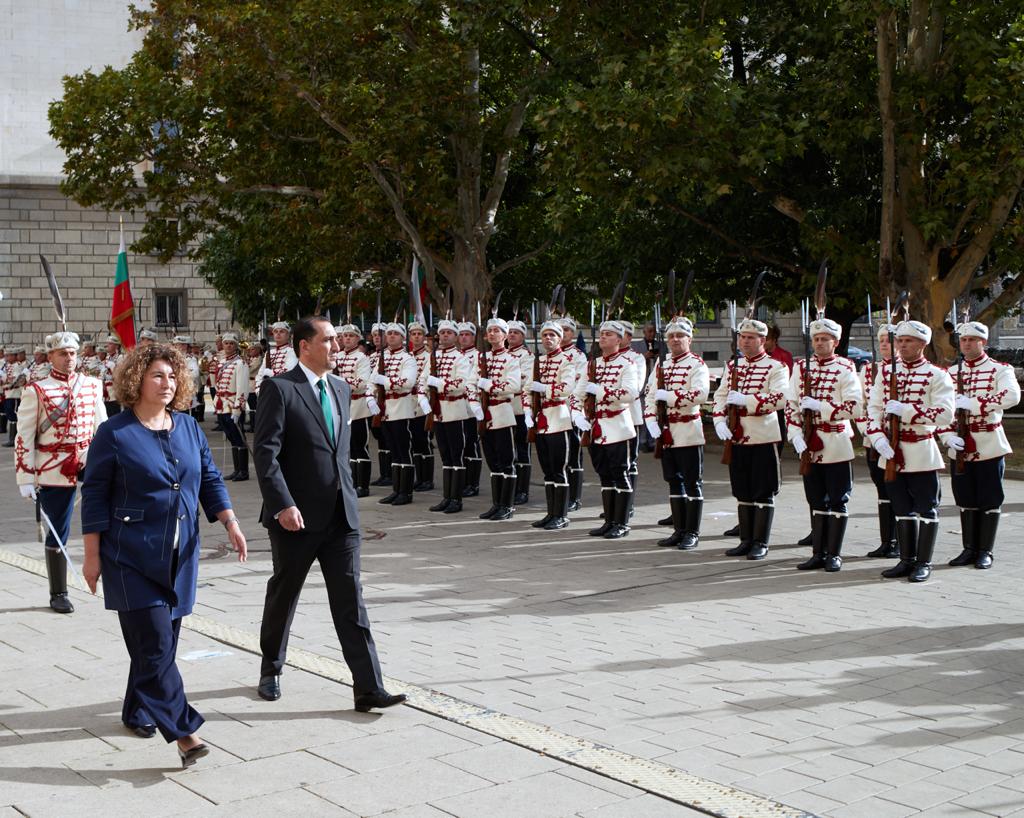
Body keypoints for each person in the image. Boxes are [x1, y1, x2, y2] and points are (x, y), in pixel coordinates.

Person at [80, 343, 246, 765]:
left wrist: (230, 521)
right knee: (154, 644)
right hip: (129, 556)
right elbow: (95, 495)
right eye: (158, 375)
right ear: (137, 380)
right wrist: (91, 556)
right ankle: (185, 733)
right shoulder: (114, 433)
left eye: (173, 376)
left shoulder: (188, 428)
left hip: (180, 557)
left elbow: (208, 477)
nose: (167, 383)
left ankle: (136, 709)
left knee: (161, 644)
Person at [253, 316, 406, 713]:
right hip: (296, 517)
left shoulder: (340, 389)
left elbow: (338, 453)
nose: (337, 347)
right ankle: (271, 667)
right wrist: (282, 504)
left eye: (338, 340)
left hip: (341, 518)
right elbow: (266, 454)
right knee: (284, 595)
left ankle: (368, 687)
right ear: (305, 346)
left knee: (351, 602)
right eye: (330, 340)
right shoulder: (279, 388)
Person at [15, 330, 107, 613]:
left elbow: (102, 429)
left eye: (72, 353)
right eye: (62, 354)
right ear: (51, 356)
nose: (69, 358)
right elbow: (24, 436)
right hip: (53, 468)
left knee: (106, 519)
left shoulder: (92, 385)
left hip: (89, 462)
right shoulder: (36, 390)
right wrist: (26, 476)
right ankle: (59, 592)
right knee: (58, 529)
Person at [866, 320, 954, 582]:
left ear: (923, 345)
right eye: (900, 341)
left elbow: (945, 414)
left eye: (909, 341)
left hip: (920, 450)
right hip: (891, 449)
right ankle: (906, 560)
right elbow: (873, 408)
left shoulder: (937, 375)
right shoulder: (886, 372)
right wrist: (877, 436)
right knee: (901, 507)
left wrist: (906, 411)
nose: (902, 346)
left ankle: (923, 562)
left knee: (926, 508)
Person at [938, 320, 1021, 569]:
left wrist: (974, 403)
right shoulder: (951, 374)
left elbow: (1012, 396)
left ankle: (985, 550)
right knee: (965, 498)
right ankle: (969, 549)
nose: (966, 344)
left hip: (988, 442)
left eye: (972, 340)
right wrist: (946, 435)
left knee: (989, 497)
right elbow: (940, 409)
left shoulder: (999, 369)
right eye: (963, 340)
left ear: (982, 342)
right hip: (960, 443)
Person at [786, 318, 863, 572]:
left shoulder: (845, 367)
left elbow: (855, 406)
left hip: (835, 441)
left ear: (835, 342)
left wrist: (822, 407)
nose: (819, 343)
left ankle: (835, 554)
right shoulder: (800, 367)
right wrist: (795, 434)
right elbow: (791, 404)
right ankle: (818, 552)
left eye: (824, 339)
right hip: (809, 441)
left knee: (838, 499)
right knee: (816, 499)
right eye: (816, 339)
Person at [713, 318, 789, 560]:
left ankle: (760, 542)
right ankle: (746, 539)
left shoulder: (776, 367)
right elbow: (720, 395)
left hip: (763, 436)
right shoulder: (733, 366)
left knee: (763, 490)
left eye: (750, 338)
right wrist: (718, 420)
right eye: (742, 337)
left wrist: (746, 400)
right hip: (737, 436)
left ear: (762, 341)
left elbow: (780, 398)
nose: (744, 341)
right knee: (742, 490)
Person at [644, 317, 709, 549]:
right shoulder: (662, 364)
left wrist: (670, 397)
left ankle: (692, 532)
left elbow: (700, 394)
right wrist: (650, 419)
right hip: (666, 430)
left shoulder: (697, 364)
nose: (674, 340)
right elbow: (650, 394)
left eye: (679, 336)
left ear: (689, 339)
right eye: (671, 336)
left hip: (688, 430)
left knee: (692, 482)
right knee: (673, 481)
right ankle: (678, 529)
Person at [575, 320, 640, 539]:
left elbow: (630, 393)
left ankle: (621, 523)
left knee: (620, 473)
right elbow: (578, 393)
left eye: (609, 334)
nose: (603, 337)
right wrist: (577, 414)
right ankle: (609, 521)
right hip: (595, 428)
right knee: (604, 476)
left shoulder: (627, 363)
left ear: (619, 340)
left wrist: (601, 391)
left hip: (618, 427)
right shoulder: (592, 364)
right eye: (602, 334)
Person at [527, 320, 579, 530]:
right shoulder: (537, 361)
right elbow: (526, 389)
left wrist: (545, 389)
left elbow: (567, 387)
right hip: (541, 420)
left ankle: (562, 514)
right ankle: (551, 513)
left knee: (559, 469)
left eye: (552, 335)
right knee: (547, 470)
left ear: (559, 338)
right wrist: (528, 412)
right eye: (545, 335)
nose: (548, 339)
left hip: (558, 418)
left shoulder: (567, 360)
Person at [856, 322, 899, 557]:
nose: (884, 345)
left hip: (898, 440)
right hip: (873, 440)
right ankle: (887, 541)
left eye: (888, 341)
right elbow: (863, 406)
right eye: (881, 341)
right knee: (882, 490)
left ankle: (902, 542)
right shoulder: (869, 369)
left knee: (898, 490)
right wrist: (870, 432)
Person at [424, 319, 475, 513]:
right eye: (442, 332)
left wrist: (440, 384)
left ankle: (457, 499)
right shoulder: (434, 356)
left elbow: (462, 383)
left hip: (454, 409)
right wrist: (423, 395)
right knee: (445, 455)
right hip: (438, 411)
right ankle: (447, 497)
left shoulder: (460, 358)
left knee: (457, 455)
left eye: (449, 333)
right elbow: (423, 379)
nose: (445, 335)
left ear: (455, 337)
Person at [476, 318, 523, 520]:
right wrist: (474, 403)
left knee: (506, 461)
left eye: (497, 330)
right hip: (484, 414)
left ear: (504, 335)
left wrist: (489, 387)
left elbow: (513, 386)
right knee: (492, 462)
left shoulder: (511, 359)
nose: (493, 334)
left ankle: (508, 505)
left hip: (502, 413)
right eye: (490, 330)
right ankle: (497, 504)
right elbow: (471, 382)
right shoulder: (481, 358)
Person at [370, 322, 419, 505]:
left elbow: (408, 381)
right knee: (393, 450)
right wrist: (370, 398)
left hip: (401, 407)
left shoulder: (407, 359)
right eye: (388, 333)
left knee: (403, 450)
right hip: (385, 408)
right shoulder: (382, 357)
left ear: (402, 338)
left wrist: (386, 381)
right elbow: (371, 380)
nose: (391, 336)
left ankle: (405, 492)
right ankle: (396, 489)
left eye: (395, 334)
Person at [334, 323, 379, 497]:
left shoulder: (362, 358)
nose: (347, 339)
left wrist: (340, 383)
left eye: (351, 336)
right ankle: (351, 482)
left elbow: (362, 382)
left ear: (358, 338)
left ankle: (363, 485)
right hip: (341, 406)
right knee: (348, 448)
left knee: (360, 446)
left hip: (358, 406)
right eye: (345, 336)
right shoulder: (337, 356)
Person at [213, 332, 250, 481]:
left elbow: (242, 388)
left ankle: (244, 471)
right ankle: (236, 470)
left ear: (235, 346)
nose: (228, 345)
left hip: (232, 406)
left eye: (231, 343)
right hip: (222, 405)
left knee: (239, 438)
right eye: (226, 343)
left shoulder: (240, 363)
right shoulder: (221, 363)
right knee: (231, 438)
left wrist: (238, 408)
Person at [560, 317, 589, 510]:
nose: (563, 333)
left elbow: (578, 384)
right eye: (560, 330)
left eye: (567, 330)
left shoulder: (578, 355)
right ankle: (561, 491)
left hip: (571, 407)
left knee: (574, 453)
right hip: (554, 410)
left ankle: (574, 497)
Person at [506, 319, 534, 505]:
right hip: (502, 408)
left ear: (523, 336)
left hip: (518, 407)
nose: (512, 335)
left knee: (522, 450)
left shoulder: (527, 356)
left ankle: (522, 490)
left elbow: (522, 380)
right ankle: (509, 486)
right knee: (507, 450)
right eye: (510, 332)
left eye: (517, 332)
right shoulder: (500, 354)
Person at [407, 320, 436, 491]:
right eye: (413, 334)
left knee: (423, 440)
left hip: (423, 402)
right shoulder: (407, 356)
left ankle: (428, 479)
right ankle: (419, 477)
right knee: (414, 441)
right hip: (408, 402)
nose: (416, 337)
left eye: (419, 334)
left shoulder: (429, 356)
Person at [457, 321, 484, 496]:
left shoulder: (479, 356)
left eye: (467, 334)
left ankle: (473, 483)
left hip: (471, 406)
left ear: (474, 337)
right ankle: (462, 479)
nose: (464, 337)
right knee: (460, 444)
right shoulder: (455, 355)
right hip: (456, 406)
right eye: (461, 334)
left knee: (471, 444)